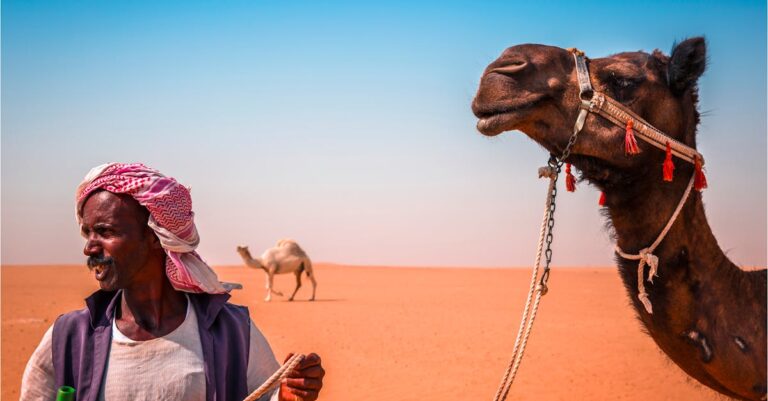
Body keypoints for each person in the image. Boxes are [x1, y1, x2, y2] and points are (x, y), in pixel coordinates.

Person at [20, 163, 324, 401]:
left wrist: (291, 395)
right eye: (88, 233)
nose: (89, 247)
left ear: (155, 236)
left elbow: (267, 395)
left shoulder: (231, 330)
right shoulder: (70, 338)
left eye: (106, 232)